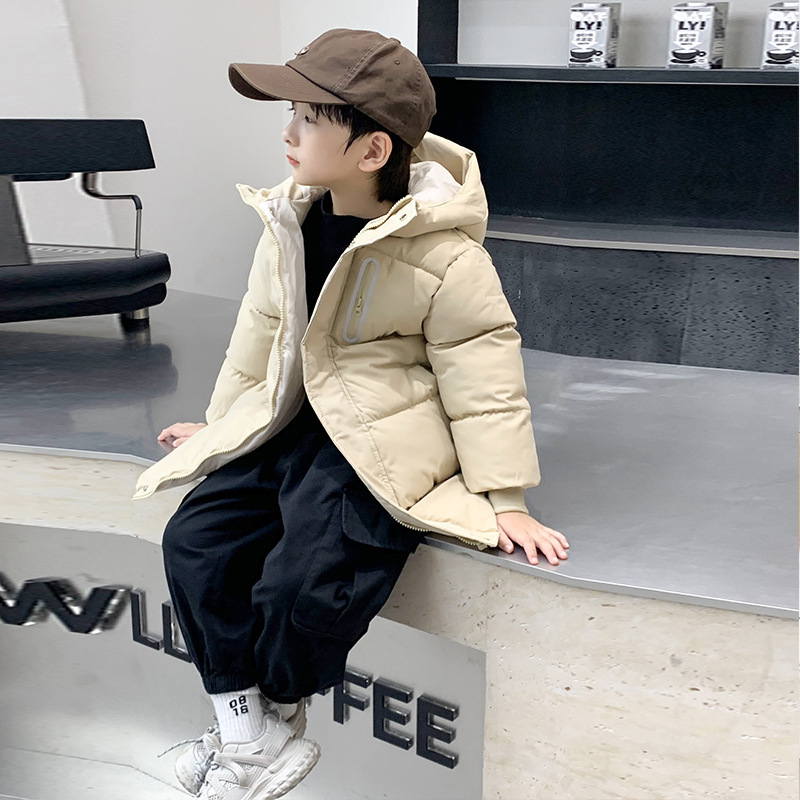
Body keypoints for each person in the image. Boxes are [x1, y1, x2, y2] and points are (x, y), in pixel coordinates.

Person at [134, 27, 569, 800]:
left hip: (371, 440)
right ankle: (245, 732)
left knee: (303, 583)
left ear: (371, 151)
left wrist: (505, 496)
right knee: (194, 541)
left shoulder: (446, 255)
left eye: (308, 119)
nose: (288, 133)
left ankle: (268, 718)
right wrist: (224, 423)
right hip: (285, 426)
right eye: (291, 115)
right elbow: (260, 333)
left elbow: (484, 372)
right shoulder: (288, 221)